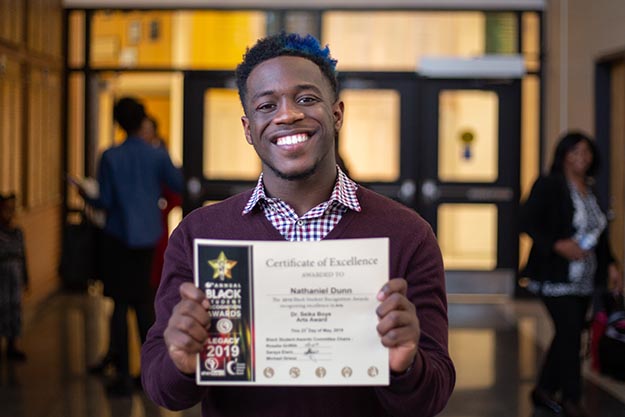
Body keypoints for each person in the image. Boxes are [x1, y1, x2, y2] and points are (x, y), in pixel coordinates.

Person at [141, 32, 454, 417]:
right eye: (266, 104)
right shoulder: (199, 234)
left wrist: (406, 365)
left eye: (306, 99)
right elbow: (163, 389)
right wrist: (180, 360)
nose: (287, 114)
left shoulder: (408, 235)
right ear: (247, 128)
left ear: (337, 114)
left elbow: (433, 395)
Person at [82, 97, 184, 396]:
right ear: (142, 121)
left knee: (119, 306)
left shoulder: (110, 156)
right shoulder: (156, 155)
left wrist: (86, 196)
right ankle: (149, 373)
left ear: (118, 123)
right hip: (148, 237)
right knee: (144, 306)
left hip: (116, 238)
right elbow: (177, 183)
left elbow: (105, 202)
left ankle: (123, 377)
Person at [520, 131, 623, 417]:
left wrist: (612, 264)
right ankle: (571, 399)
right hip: (554, 278)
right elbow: (526, 221)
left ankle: (542, 390)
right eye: (575, 151)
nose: (582, 157)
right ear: (563, 154)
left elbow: (600, 235)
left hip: (585, 280)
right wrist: (557, 244)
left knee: (568, 334)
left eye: (587, 152)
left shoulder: (590, 189)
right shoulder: (549, 185)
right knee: (569, 334)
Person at [139, 115, 183, 290]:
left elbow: (175, 191)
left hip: (156, 221)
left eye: (147, 131)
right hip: (140, 221)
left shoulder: (161, 157)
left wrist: (163, 209)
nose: (144, 135)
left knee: (155, 268)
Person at [0, 193, 29, 362]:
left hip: (15, 277)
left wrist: (26, 278)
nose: (9, 213)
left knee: (15, 308)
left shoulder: (17, 233)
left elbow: (23, 257)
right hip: (2, 277)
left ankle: (13, 344)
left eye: (11, 209)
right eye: (5, 209)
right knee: (2, 307)